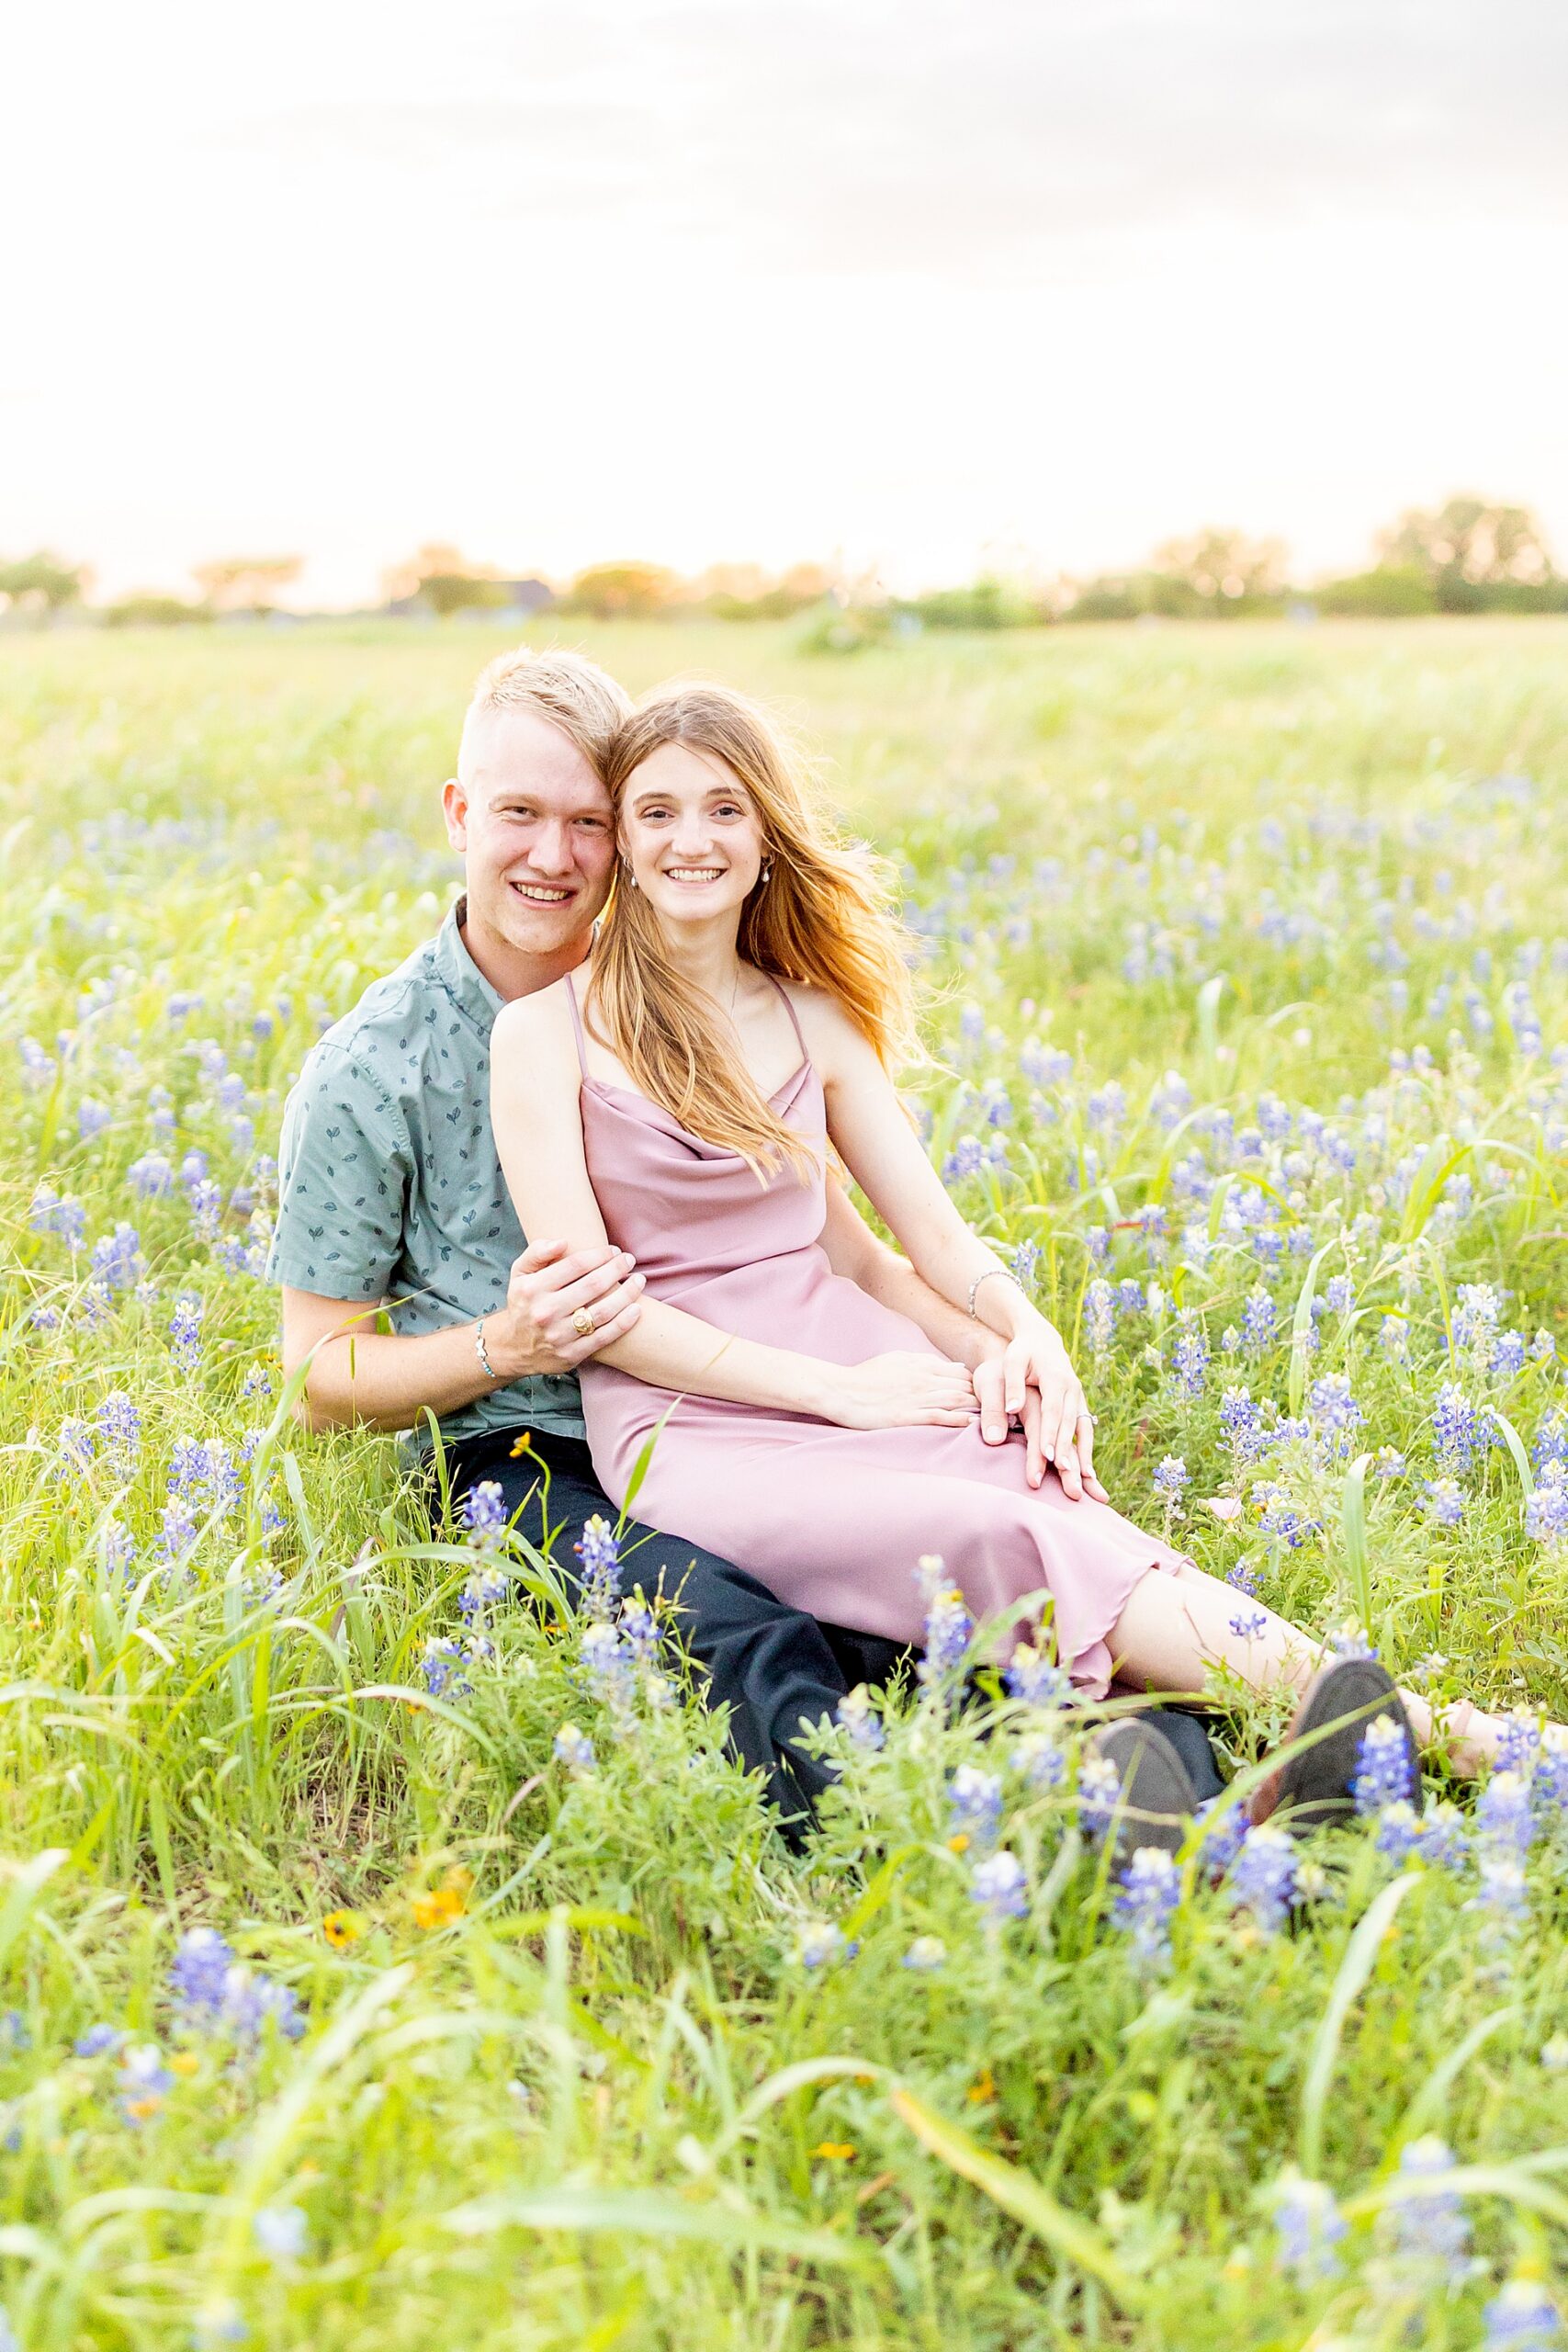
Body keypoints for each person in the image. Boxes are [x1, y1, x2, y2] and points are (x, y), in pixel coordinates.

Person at [489, 678, 1532, 1813]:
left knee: (1057, 1498)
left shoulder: (811, 1019)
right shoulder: (544, 1034)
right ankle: (1442, 1738)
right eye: (657, 812)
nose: (693, 838)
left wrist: (1025, 1335)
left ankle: (1280, 1765)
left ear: (768, 836)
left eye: (725, 808)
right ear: (626, 846)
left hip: (864, 1360)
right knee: (989, 1527)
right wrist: (844, 1395)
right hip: (693, 1421)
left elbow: (912, 1245)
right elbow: (608, 1317)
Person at [267, 646, 1151, 1836]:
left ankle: (1151, 1769)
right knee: (736, 1630)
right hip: (530, 1446)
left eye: (589, 820)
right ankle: (946, 1843)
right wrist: (506, 1343)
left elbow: (837, 1248)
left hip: (736, 1411)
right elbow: (318, 1377)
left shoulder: (682, 999)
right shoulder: (373, 1067)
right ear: (457, 814)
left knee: (928, 1578)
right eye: (520, 814)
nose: (554, 856)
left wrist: (993, 1343)